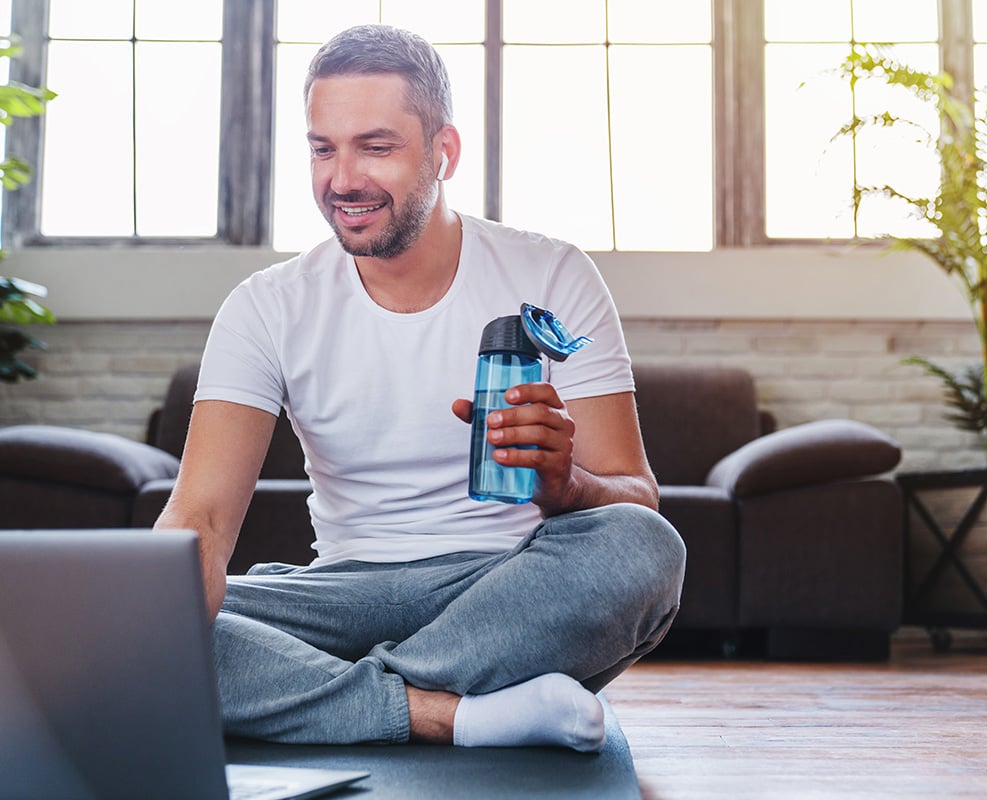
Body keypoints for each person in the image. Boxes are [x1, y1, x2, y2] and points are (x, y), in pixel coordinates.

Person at [154, 23, 685, 753]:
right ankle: (449, 711)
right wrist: (145, 620)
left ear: (445, 152)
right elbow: (203, 521)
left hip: (504, 587)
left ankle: (316, 695)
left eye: (376, 147)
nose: (342, 179)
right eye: (322, 148)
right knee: (118, 621)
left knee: (643, 549)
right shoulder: (266, 304)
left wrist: (566, 486)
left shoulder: (555, 274)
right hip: (338, 596)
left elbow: (636, 497)